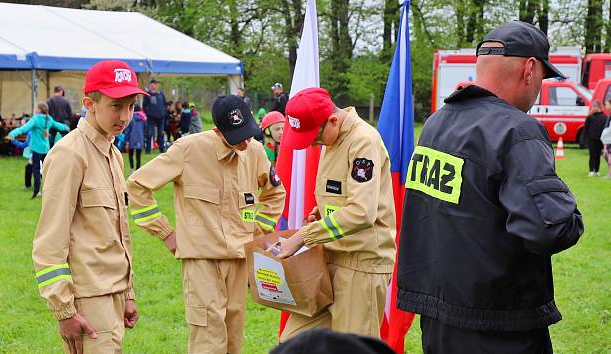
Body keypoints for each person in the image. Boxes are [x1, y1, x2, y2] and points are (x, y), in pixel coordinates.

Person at [396, 21, 584, 354]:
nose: (538, 87)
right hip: (498, 327)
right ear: (528, 69)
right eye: (542, 77)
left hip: (439, 319)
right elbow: (551, 228)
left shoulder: (437, 123)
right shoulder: (517, 130)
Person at [127, 95, 285, 354]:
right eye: (237, 137)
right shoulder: (187, 150)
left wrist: (260, 229)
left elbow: (276, 192)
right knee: (208, 340)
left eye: (248, 133)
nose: (245, 142)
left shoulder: (255, 151)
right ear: (217, 131)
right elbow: (137, 186)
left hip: (239, 260)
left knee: (233, 337)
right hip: (202, 261)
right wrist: (166, 234)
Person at [30, 60, 145, 354]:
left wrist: (127, 292)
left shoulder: (114, 154)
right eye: (116, 106)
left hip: (114, 293)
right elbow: (49, 241)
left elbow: (119, 232)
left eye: (131, 106)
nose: (125, 116)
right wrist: (64, 310)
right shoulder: (69, 155)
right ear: (89, 104)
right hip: (87, 297)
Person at [276, 87, 396, 341]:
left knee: (351, 348)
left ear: (332, 120)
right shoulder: (332, 137)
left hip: (360, 264)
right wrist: (321, 211)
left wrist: (304, 235)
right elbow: (343, 194)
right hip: (328, 259)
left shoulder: (363, 140)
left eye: (315, 139)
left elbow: (361, 212)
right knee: (292, 343)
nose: (314, 145)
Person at [6, 101, 69, 199]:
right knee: (47, 170)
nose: (35, 109)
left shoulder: (35, 119)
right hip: (45, 149)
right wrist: (67, 127)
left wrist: (12, 134)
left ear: (39, 110)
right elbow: (59, 125)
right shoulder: (49, 119)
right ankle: (52, 190)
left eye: (36, 108)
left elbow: (24, 128)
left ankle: (37, 191)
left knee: (36, 170)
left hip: (36, 149)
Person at [142, 78, 167, 153]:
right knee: (149, 133)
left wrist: (163, 112)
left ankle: (162, 149)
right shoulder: (147, 94)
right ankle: (148, 149)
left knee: (160, 134)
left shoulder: (161, 94)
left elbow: (165, 104)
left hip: (161, 117)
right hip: (151, 118)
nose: (156, 85)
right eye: (155, 83)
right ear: (151, 85)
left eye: (157, 84)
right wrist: (148, 113)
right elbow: (144, 105)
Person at [9, 117, 33, 190]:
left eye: (23, 125)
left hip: (38, 154)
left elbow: (24, 145)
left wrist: (13, 141)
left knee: (37, 171)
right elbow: (24, 145)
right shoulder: (29, 132)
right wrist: (14, 141)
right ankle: (28, 186)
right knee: (30, 168)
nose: (21, 127)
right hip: (37, 154)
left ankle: (31, 187)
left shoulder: (31, 133)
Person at [584, 100, 607, 176]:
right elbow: (586, 129)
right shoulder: (589, 117)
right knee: (592, 155)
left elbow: (605, 129)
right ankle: (591, 170)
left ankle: (597, 171)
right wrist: (585, 139)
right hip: (591, 139)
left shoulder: (604, 117)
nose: (594, 108)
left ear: (600, 107)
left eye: (595, 106)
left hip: (600, 139)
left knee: (598, 155)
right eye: (593, 106)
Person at [124, 104, 147, 173]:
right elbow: (145, 129)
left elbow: (128, 130)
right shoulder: (143, 118)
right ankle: (138, 170)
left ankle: (131, 169)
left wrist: (126, 141)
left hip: (131, 139)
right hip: (140, 139)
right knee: (138, 156)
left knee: (130, 154)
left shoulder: (131, 118)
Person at [603, 99, 611, 178]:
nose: (606, 106)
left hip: (609, 140)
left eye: (607, 104)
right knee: (606, 155)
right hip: (607, 140)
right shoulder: (609, 115)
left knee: (609, 156)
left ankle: (610, 173)